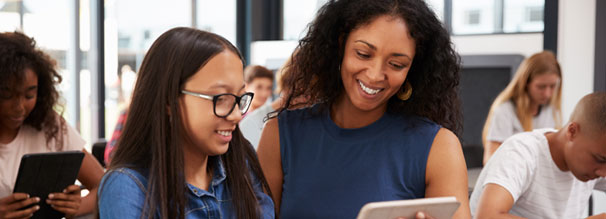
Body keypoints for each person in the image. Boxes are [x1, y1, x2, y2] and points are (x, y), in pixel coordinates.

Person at [256, 0, 471, 218]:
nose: (375, 75)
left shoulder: (438, 146)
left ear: (413, 68)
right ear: (341, 45)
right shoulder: (280, 135)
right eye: (363, 54)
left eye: (396, 64)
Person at [97, 27, 274, 218]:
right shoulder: (129, 186)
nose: (236, 115)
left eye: (239, 98)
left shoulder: (241, 162)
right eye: (220, 98)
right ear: (168, 99)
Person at [0, 31, 104, 218]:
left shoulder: (50, 125)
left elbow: (103, 185)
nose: (19, 107)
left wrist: (77, 206)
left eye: (29, 95)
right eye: (7, 96)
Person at [470, 92, 606, 219]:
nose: (603, 172)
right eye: (599, 159)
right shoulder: (520, 152)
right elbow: (487, 216)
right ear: (572, 132)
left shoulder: (595, 160)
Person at [482, 51, 563, 165]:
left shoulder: (550, 110)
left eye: (552, 86)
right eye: (541, 87)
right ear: (526, 83)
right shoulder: (505, 110)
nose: (547, 94)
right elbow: (490, 161)